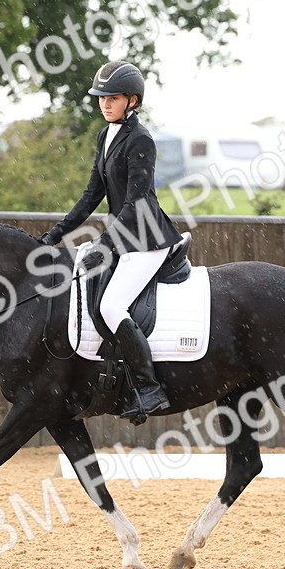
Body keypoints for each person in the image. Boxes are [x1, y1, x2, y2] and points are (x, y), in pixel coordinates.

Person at [40, 60, 184, 423]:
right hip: (123, 236)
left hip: (147, 237)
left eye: (113, 98)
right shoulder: (106, 136)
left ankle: (151, 389)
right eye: (101, 98)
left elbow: (136, 204)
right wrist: (57, 232)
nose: (105, 104)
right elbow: (92, 194)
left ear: (132, 101)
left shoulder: (141, 140)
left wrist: (103, 246)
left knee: (111, 306)